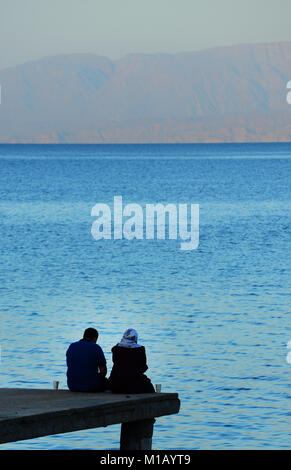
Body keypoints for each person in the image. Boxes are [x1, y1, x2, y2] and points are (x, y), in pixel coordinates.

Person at [108, 328, 155, 394]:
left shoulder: (116, 349)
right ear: (135, 338)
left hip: (116, 384)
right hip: (134, 384)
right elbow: (143, 367)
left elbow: (117, 364)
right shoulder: (140, 350)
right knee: (149, 386)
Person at [66, 327, 108, 392]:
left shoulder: (72, 346)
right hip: (90, 387)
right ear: (95, 338)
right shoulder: (96, 347)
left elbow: (70, 365)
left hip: (72, 386)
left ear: (84, 336)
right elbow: (103, 371)